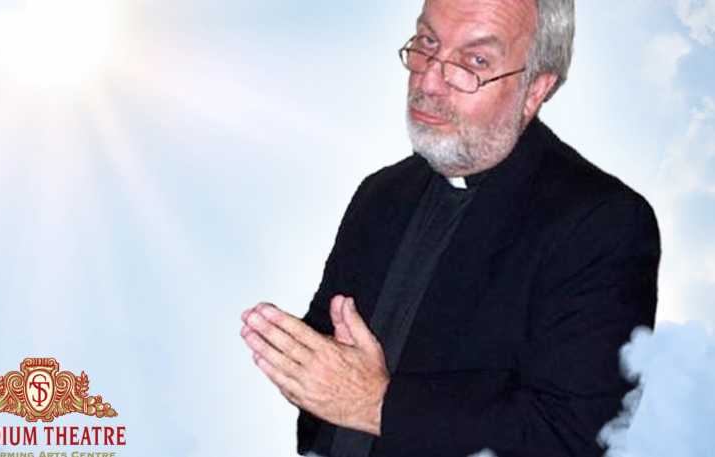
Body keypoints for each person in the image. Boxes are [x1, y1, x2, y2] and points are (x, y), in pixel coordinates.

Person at [239, 0, 661, 456]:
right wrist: (302, 362)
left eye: (474, 61)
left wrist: (375, 404)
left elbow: (574, 435)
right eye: (427, 43)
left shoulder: (603, 222)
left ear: (536, 89)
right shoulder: (382, 193)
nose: (428, 81)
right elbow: (331, 360)